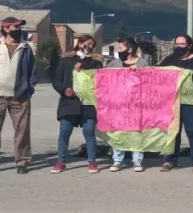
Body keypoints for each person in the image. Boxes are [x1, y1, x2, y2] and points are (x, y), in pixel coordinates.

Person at [0, 16, 37, 175]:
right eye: (15, 27)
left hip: (19, 96)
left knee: (22, 130)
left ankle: (22, 161)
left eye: (19, 27)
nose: (18, 29)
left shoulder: (25, 48)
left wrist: (29, 88)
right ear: (6, 28)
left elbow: (32, 71)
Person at [158, 34, 193, 174]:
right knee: (173, 132)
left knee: (192, 131)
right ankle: (170, 159)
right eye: (177, 44)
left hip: (191, 104)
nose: (179, 46)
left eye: (182, 44)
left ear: (189, 45)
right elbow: (157, 74)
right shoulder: (169, 60)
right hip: (172, 103)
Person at [52, 35, 105, 174]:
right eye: (87, 44)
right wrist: (64, 90)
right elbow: (56, 80)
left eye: (92, 45)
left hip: (88, 104)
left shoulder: (95, 63)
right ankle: (61, 161)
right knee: (64, 132)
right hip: (69, 102)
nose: (89, 47)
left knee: (89, 132)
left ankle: (92, 162)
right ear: (80, 44)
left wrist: (85, 68)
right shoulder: (66, 61)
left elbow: (103, 80)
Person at [106, 37, 152, 172]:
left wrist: (138, 73)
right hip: (118, 104)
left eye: (120, 48)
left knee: (136, 132)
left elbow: (150, 81)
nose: (118, 51)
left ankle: (137, 161)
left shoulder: (142, 63)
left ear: (130, 49)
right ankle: (117, 160)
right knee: (118, 133)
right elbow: (104, 79)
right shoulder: (114, 64)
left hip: (137, 104)